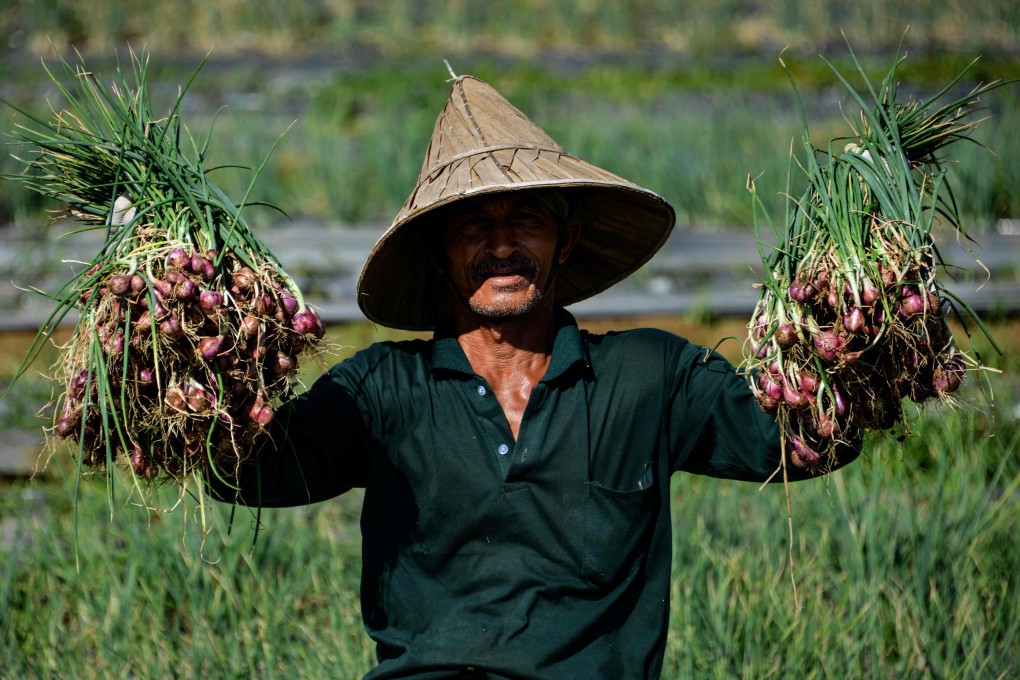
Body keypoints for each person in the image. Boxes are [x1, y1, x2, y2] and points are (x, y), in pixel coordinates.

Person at [212, 75, 859, 679]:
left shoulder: (648, 378)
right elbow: (247, 467)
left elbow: (796, 437)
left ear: (565, 242)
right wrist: (196, 373)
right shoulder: (382, 392)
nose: (500, 245)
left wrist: (853, 331)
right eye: (473, 225)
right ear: (439, 255)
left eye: (525, 219)